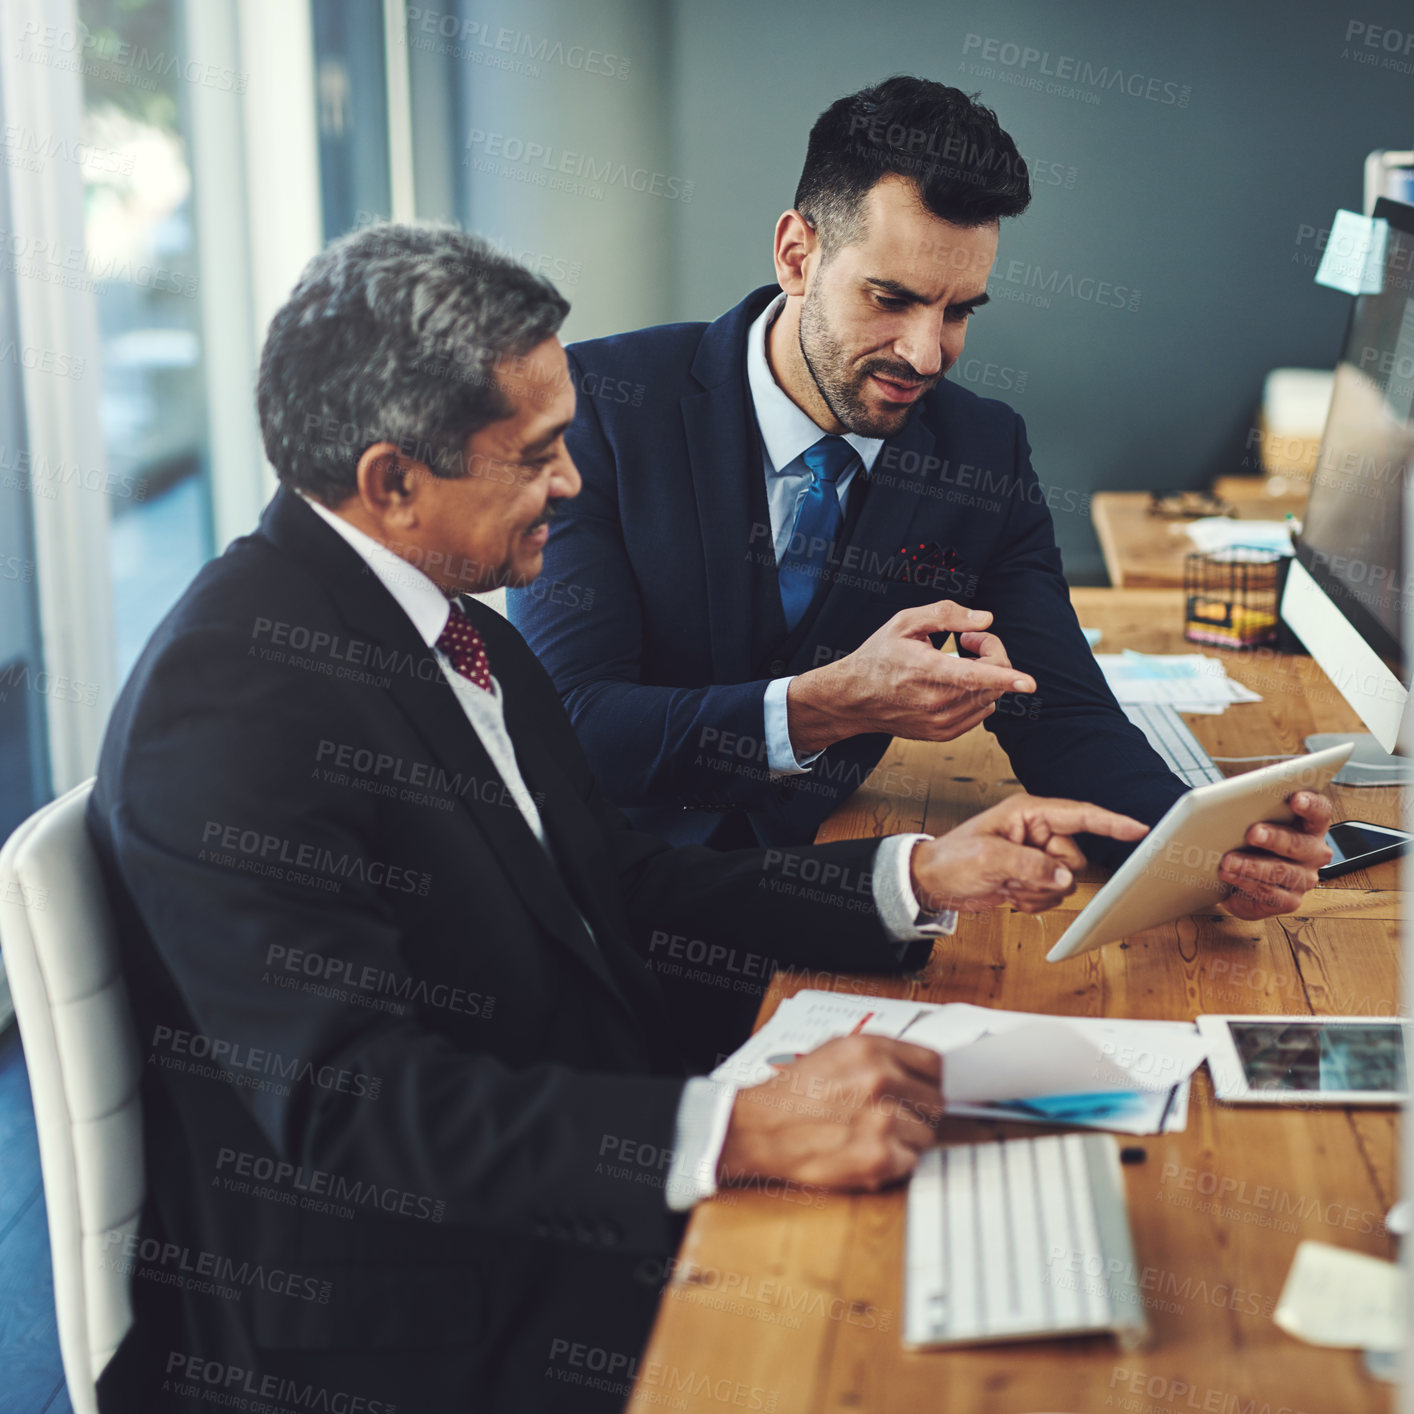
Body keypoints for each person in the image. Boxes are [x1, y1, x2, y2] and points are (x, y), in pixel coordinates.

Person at [86, 223, 1151, 1414]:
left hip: (551, 1190)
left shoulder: (459, 628)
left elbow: (617, 886)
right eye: (539, 452)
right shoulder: (232, 698)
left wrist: (913, 878)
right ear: (393, 481)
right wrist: (732, 1129)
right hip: (402, 1325)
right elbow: (356, 1110)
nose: (575, 482)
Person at [506, 75, 1332, 920]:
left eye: (959, 311)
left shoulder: (982, 449)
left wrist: (1204, 854)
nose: (927, 354)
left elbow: (1061, 715)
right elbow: (572, 728)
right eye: (891, 299)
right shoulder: (598, 406)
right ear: (797, 254)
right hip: (602, 905)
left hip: (837, 888)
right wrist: (824, 708)